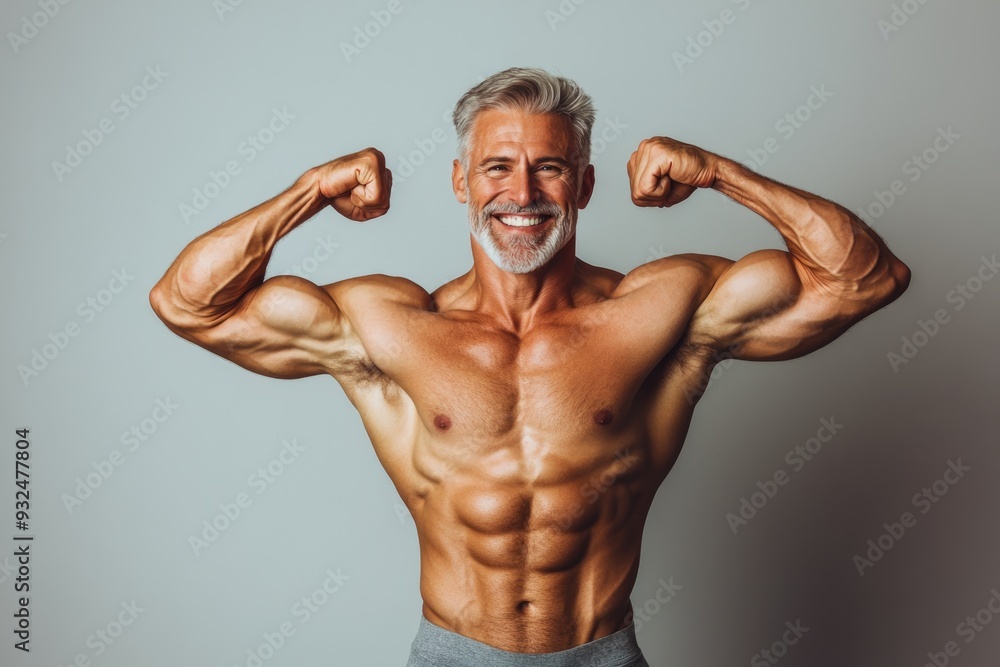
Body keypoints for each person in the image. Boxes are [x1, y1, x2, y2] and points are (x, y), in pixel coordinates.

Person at [149, 67, 910, 666]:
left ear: (582, 185)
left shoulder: (660, 313)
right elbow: (189, 303)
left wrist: (718, 173)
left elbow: (863, 278)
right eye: (497, 168)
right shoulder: (393, 326)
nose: (521, 194)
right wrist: (311, 191)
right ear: (460, 183)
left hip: (602, 652)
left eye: (549, 169)